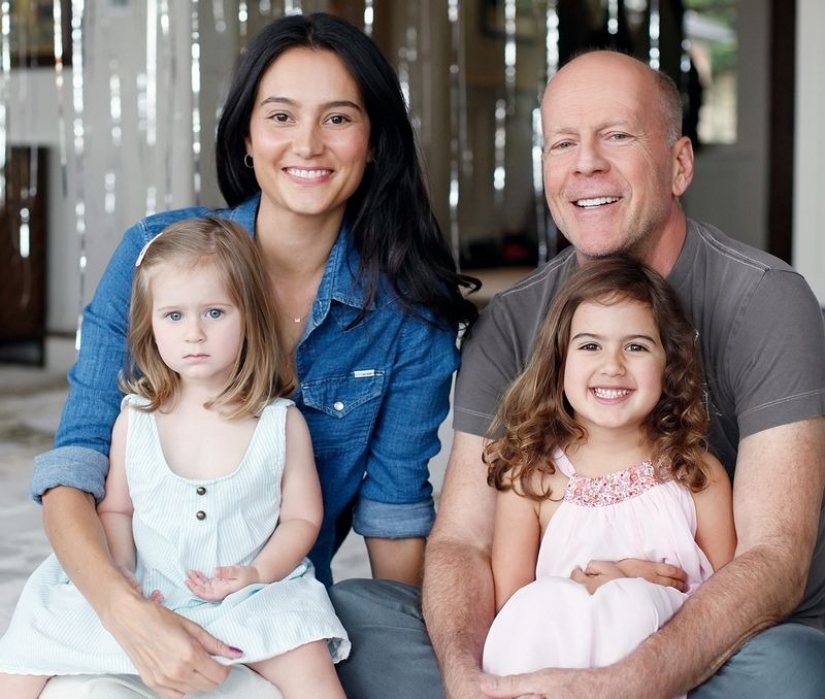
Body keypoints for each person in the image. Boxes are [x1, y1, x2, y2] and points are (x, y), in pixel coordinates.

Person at [329, 50, 825, 699]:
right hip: (548, 630)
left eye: (615, 135)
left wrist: (635, 675)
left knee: (791, 671)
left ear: (678, 164)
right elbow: (464, 540)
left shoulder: (764, 299)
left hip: (720, 642)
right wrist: (467, 677)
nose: (585, 162)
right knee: (351, 618)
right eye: (563, 142)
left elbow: (771, 558)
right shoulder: (508, 322)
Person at [30, 12, 478, 699]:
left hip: (271, 615)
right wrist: (130, 618)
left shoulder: (407, 314)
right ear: (245, 136)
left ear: (373, 142)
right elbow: (75, 467)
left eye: (337, 118)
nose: (308, 143)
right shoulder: (153, 257)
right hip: (133, 600)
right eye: (280, 116)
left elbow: (394, 513)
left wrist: (408, 654)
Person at [0, 217, 350, 698]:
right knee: (39, 627)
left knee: (305, 651)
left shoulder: (279, 423)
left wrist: (258, 573)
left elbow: (302, 517)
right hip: (151, 583)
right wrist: (121, 572)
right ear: (150, 327)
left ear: (249, 317)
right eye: (174, 316)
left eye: (214, 313)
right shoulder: (136, 419)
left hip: (244, 594)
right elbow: (118, 509)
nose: (194, 334)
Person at [481, 256, 735, 683]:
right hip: (555, 673)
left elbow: (732, 601)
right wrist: (598, 586)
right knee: (544, 601)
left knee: (633, 603)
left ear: (669, 364)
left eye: (636, 346)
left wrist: (631, 585)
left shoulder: (695, 473)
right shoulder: (532, 478)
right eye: (590, 345)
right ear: (559, 360)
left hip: (663, 673)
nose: (613, 365)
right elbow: (513, 611)